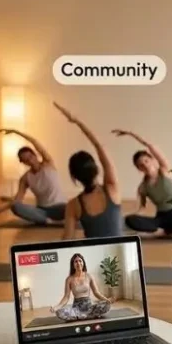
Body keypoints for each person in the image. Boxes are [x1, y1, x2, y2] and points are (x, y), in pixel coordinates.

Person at [52, 102, 124, 240]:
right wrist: (77, 121)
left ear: (75, 177)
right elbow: (99, 146)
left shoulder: (73, 205)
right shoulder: (112, 189)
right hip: (120, 252)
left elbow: (67, 239)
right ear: (96, 168)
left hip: (93, 253)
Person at [113, 129, 172, 239]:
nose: (145, 165)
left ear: (152, 160)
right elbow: (142, 209)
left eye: (146, 161)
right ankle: (165, 232)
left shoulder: (165, 171)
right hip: (160, 219)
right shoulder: (142, 187)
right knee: (130, 220)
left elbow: (151, 146)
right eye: (140, 165)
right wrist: (125, 217)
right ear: (139, 169)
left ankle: (167, 232)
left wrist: (131, 133)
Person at [0, 128, 68, 225]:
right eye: (26, 160)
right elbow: (17, 200)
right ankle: (50, 221)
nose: (30, 161)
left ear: (35, 155)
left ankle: (49, 221)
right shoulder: (25, 178)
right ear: (23, 162)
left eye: (30, 157)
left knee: (73, 208)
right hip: (42, 210)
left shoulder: (48, 164)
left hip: (60, 207)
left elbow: (35, 142)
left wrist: (16, 132)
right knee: (16, 207)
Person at [50, 253, 113, 322]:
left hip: (89, 307)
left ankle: (83, 316)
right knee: (59, 312)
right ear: (73, 265)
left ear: (83, 263)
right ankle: (87, 316)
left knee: (106, 305)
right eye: (76, 261)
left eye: (80, 261)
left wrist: (107, 300)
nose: (78, 263)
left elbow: (96, 292)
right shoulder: (69, 279)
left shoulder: (89, 276)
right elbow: (66, 297)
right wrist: (57, 307)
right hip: (76, 309)